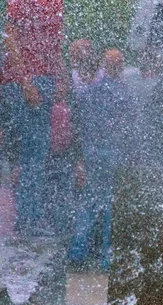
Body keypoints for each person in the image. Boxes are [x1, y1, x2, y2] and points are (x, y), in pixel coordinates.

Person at [1, 0, 66, 235]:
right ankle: (27, 221)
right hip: (24, 81)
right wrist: (25, 81)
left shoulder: (56, 3)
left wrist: (60, 77)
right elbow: (9, 39)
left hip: (43, 80)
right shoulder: (19, 2)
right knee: (31, 154)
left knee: (38, 153)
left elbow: (55, 45)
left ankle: (30, 217)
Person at [69, 49, 132, 270]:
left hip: (90, 152)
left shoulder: (88, 92)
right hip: (113, 153)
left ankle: (77, 251)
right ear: (120, 67)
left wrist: (79, 158)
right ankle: (105, 256)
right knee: (108, 203)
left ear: (105, 66)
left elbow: (78, 125)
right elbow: (129, 129)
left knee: (87, 201)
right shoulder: (124, 94)